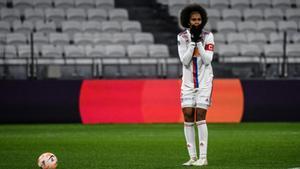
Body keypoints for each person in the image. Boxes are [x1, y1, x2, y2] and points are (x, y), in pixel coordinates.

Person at [177, 3, 214, 166]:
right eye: (194, 19)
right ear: (188, 20)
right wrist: (192, 42)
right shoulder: (182, 37)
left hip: (205, 80)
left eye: (199, 19)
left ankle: (203, 157)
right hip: (188, 82)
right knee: (188, 114)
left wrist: (199, 42)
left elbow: (208, 60)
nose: (197, 22)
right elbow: (184, 61)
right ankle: (192, 157)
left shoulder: (208, 36)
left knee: (200, 115)